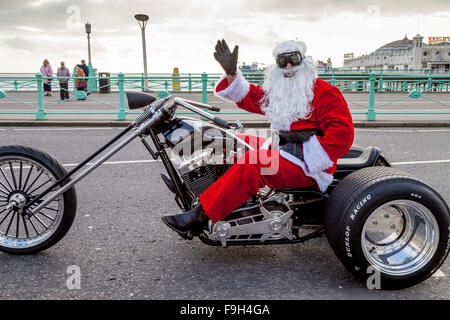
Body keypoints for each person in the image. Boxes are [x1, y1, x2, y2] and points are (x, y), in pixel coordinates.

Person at [162, 39, 354, 238]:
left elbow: (342, 135)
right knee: (233, 142)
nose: (288, 65)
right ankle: (197, 187)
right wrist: (231, 73)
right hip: (283, 149)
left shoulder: (325, 92)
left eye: (293, 59)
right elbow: (250, 96)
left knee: (253, 162)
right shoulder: (281, 91)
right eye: (283, 60)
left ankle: (200, 216)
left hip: (309, 163)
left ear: (303, 61)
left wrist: (305, 151)